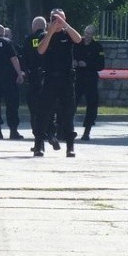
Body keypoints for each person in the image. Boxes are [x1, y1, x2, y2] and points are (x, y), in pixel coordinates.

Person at [33, 9, 82, 157]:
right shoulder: (44, 35)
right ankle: (38, 145)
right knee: (43, 113)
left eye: (60, 18)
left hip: (66, 79)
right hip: (50, 79)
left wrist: (65, 25)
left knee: (68, 113)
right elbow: (40, 50)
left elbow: (78, 39)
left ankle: (70, 146)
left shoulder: (68, 34)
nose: (58, 21)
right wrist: (50, 32)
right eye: (55, 18)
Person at [22, 17, 61, 152]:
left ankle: (39, 142)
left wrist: (25, 72)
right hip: (48, 77)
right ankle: (51, 134)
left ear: (34, 26)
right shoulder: (50, 38)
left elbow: (24, 59)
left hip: (34, 79)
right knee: (50, 109)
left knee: (35, 112)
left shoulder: (29, 39)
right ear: (45, 26)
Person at [74, 24, 105, 141]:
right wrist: (74, 62)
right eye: (86, 33)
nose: (87, 36)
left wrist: (87, 64)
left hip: (90, 79)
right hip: (77, 78)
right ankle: (65, 129)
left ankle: (87, 131)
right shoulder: (77, 44)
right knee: (71, 103)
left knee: (92, 105)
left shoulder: (97, 47)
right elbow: (70, 55)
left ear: (93, 35)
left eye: (89, 34)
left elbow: (101, 65)